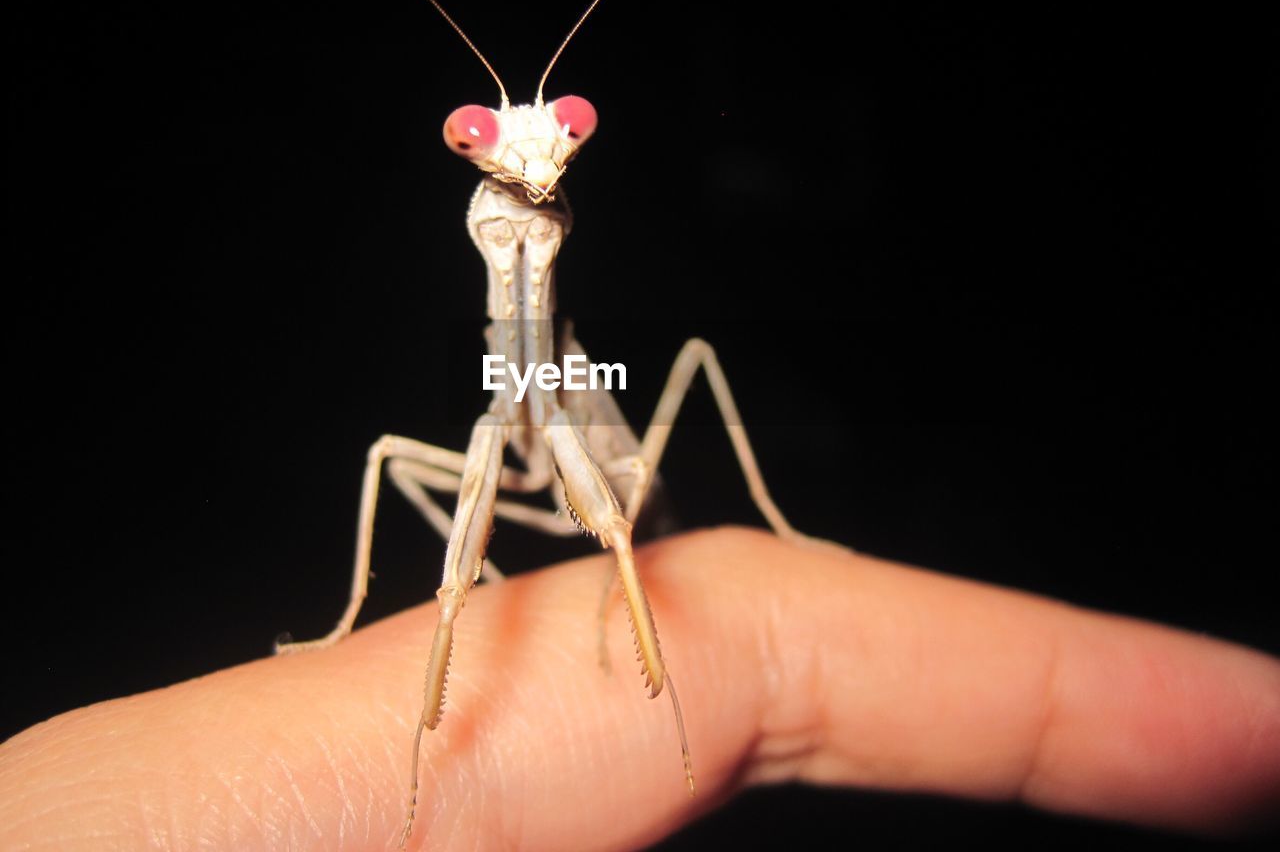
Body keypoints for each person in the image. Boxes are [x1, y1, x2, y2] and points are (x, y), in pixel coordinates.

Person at [2, 528, 1276, 847]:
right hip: (531, 423)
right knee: (407, 471)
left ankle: (771, 516)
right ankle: (356, 631)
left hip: (599, 446)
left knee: (624, 518)